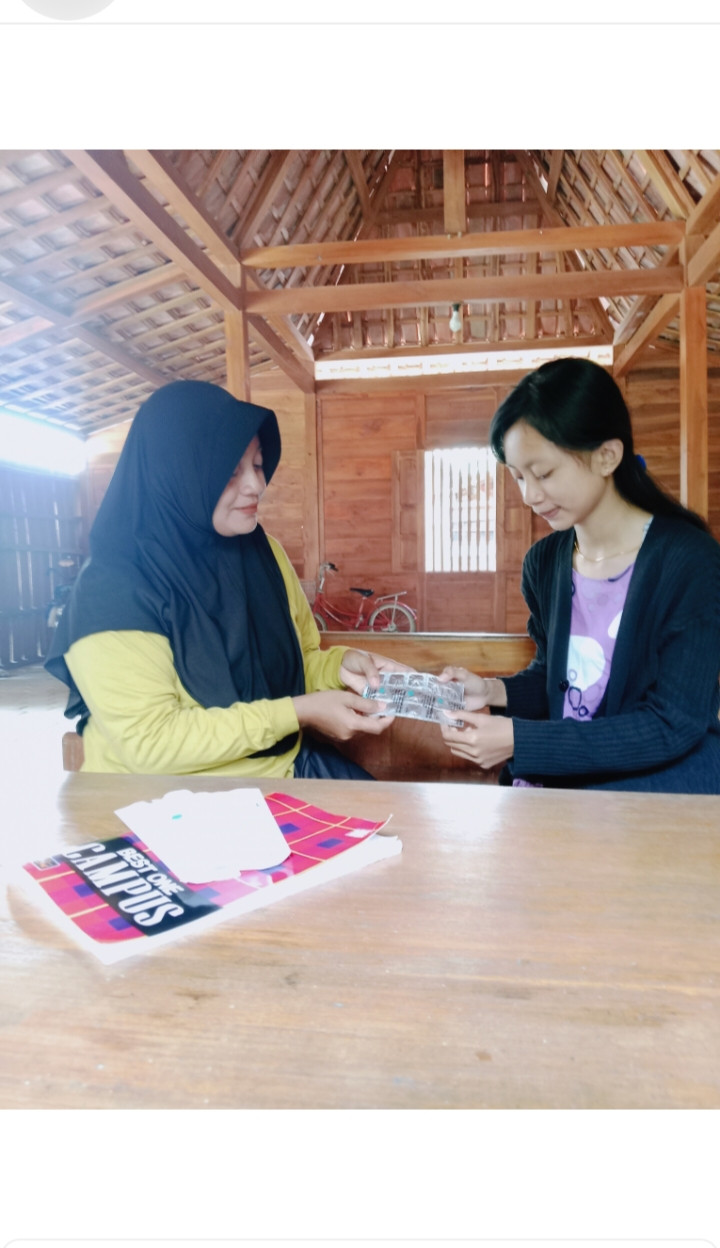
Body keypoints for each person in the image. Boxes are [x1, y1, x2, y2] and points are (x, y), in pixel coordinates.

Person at [46, 380, 401, 779]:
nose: (257, 485)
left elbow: (297, 664)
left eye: (258, 463)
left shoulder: (263, 555)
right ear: (177, 474)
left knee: (399, 830)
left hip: (286, 771)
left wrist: (340, 669)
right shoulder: (113, 589)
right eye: (230, 471)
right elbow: (152, 742)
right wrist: (297, 713)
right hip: (166, 804)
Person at [438, 357, 720, 793]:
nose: (530, 495)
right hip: (565, 782)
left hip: (655, 790)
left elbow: (673, 724)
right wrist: (492, 692)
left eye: (544, 473)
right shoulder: (545, 563)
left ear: (607, 455)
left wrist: (520, 739)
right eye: (517, 477)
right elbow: (560, 683)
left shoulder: (690, 561)